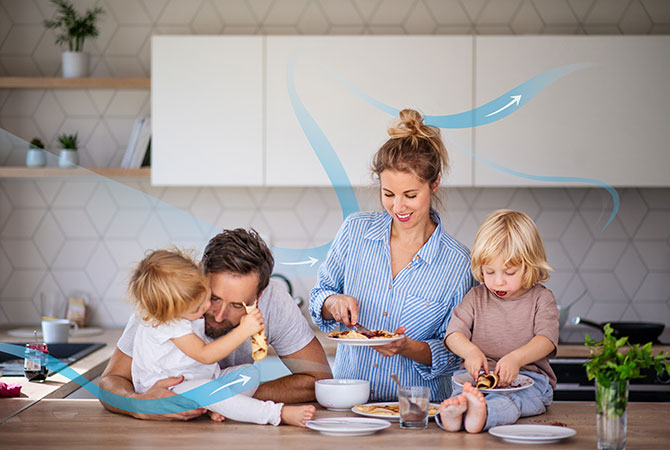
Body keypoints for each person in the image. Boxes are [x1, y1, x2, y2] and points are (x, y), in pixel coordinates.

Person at [310, 109, 475, 402]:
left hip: (417, 414)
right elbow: (319, 296)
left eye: (410, 195)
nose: (398, 206)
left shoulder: (458, 263)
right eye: (388, 194)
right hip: (351, 405)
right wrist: (332, 302)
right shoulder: (355, 231)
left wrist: (407, 347)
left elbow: (455, 355)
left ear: (434, 183)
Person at [99, 228, 332, 421]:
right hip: (168, 427)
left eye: (238, 305)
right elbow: (110, 382)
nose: (219, 316)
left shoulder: (275, 302)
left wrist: (225, 398)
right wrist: (141, 405)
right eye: (214, 298)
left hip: (217, 405)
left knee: (248, 374)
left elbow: (319, 381)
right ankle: (275, 414)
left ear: (259, 296)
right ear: (198, 275)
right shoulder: (170, 299)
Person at [438, 209, 559, 433]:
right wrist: (471, 352)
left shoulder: (542, 299)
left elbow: (547, 340)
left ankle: (482, 416)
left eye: (509, 272)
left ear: (530, 265)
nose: (498, 281)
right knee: (461, 396)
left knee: (510, 403)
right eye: (489, 272)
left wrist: (516, 358)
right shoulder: (476, 296)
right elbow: (453, 334)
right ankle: (455, 415)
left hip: (529, 382)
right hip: (478, 381)